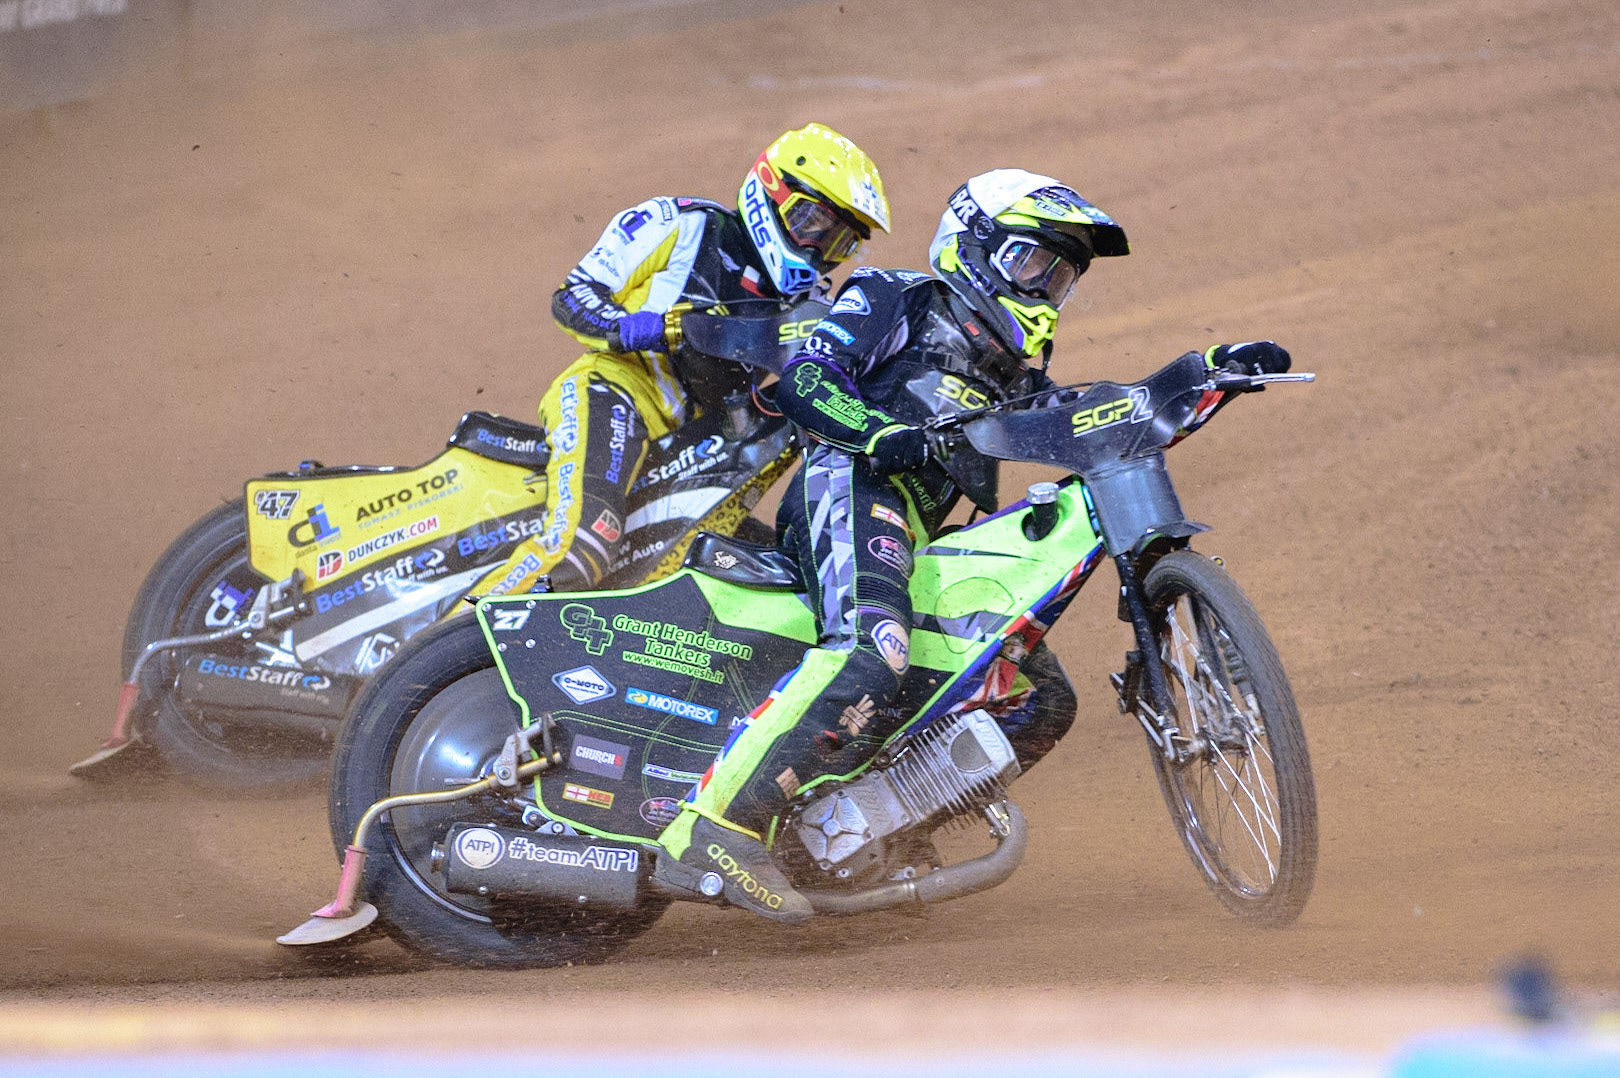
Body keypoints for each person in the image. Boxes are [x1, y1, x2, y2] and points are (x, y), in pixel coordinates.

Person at [653, 168, 1292, 923]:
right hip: (849, 488)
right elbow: (806, 377)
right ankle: (715, 828)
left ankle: (855, 840)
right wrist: (875, 432)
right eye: (1031, 264)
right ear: (974, 246)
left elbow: (1086, 414)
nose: (1043, 288)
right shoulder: (899, 296)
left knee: (1042, 702)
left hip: (921, 536)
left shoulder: (1014, 370)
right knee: (875, 651)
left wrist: (1203, 373)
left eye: (1058, 277)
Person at [472, 124, 891, 597]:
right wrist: (633, 327)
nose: (817, 247)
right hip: (617, 394)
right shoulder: (681, 224)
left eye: (838, 243)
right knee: (581, 549)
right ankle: (443, 651)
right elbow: (573, 297)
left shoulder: (810, 304)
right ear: (770, 191)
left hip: (698, 448)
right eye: (810, 222)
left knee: (740, 579)